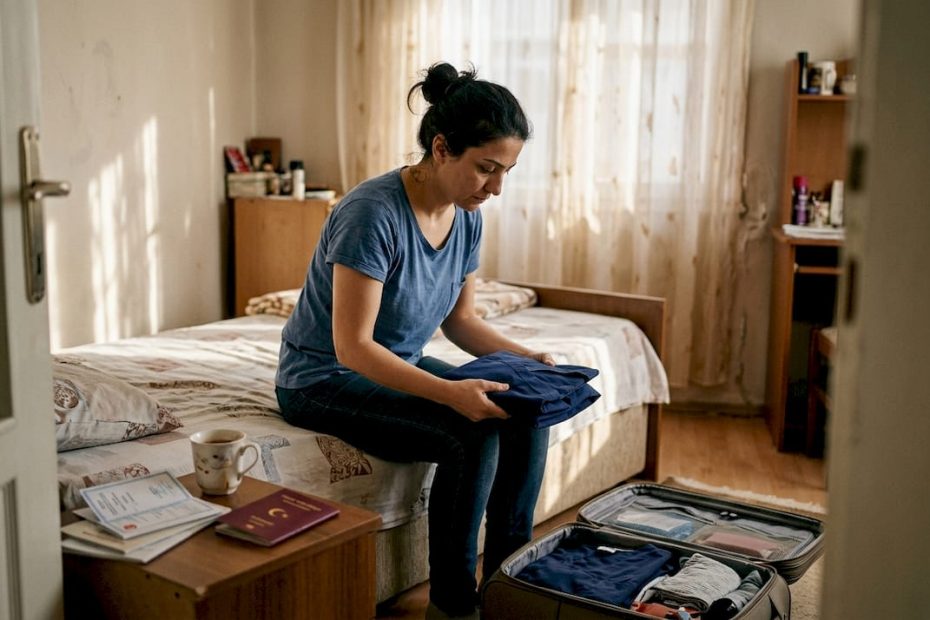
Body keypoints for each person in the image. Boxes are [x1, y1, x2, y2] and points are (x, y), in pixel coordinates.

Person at [275, 61, 551, 619]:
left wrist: (532, 361)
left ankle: (508, 586)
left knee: (526, 408)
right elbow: (352, 347)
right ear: (442, 148)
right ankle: (452, 606)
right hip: (324, 377)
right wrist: (449, 393)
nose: (496, 188)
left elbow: (461, 322)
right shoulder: (371, 214)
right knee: (469, 434)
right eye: (486, 168)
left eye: (507, 171)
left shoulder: (466, 216)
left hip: (393, 362)